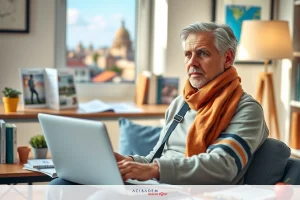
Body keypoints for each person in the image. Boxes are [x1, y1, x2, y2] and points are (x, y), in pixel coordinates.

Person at [49, 22, 268, 187]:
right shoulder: (181, 103)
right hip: (159, 187)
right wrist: (126, 162)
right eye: (188, 54)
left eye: (202, 53)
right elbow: (156, 158)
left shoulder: (246, 109)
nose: (192, 63)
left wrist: (154, 170)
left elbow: (223, 165)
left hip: (195, 192)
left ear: (227, 58)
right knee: (63, 185)